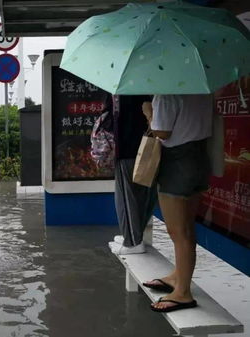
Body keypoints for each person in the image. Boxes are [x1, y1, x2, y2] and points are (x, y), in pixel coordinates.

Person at [142, 94, 213, 313]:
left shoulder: (166, 93)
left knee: (177, 231)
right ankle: (178, 277)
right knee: (187, 228)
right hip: (199, 158)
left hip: (177, 162)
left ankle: (182, 293)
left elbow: (162, 132)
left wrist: (148, 113)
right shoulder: (203, 91)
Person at [110, 95, 158, 255]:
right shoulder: (145, 85)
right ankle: (132, 235)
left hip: (129, 147)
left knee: (126, 197)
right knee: (139, 195)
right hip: (144, 146)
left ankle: (133, 241)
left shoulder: (127, 89)